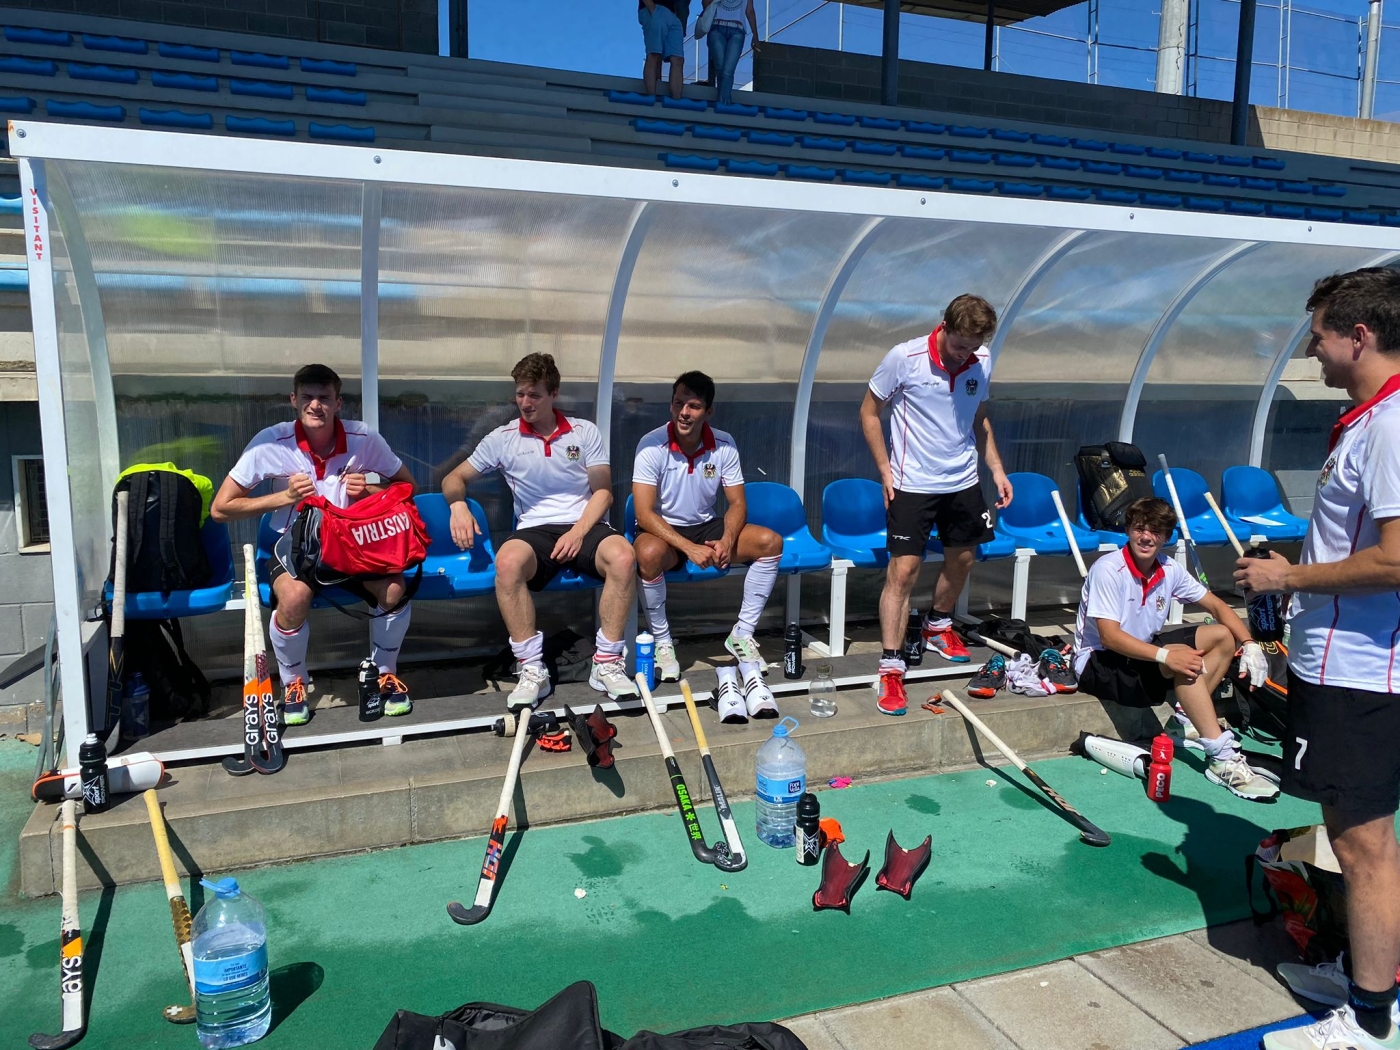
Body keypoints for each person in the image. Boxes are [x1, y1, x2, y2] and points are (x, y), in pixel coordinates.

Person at [1234, 268, 1400, 1050]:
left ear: (1358, 337)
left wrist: (1288, 579)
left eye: (1320, 335)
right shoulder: (1366, 422)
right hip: (1340, 664)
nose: (1311, 350)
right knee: (1351, 833)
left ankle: (1369, 1020)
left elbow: (1397, 559)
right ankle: (1366, 978)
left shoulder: (1392, 426)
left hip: (1363, 671)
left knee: (1365, 843)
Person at [211, 364, 419, 726]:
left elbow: (408, 487)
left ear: (338, 402)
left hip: (353, 545)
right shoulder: (270, 442)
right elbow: (221, 508)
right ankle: (293, 683)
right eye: (307, 397)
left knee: (394, 590)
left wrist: (370, 490)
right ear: (294, 400)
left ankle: (384, 673)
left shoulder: (364, 437)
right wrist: (284, 497)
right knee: (294, 598)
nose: (315, 405)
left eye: (324, 397)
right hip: (293, 547)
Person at [442, 353, 638, 709]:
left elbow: (604, 492)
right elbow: (453, 477)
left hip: (584, 524)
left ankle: (607, 663)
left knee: (624, 556)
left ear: (554, 394)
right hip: (534, 529)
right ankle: (532, 668)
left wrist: (577, 532)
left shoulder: (584, 431)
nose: (525, 402)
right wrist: (457, 505)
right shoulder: (502, 438)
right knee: (507, 563)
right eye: (520, 394)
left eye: (534, 394)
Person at [860, 294, 1013, 716]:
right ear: (943, 326)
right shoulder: (904, 358)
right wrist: (885, 470)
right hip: (912, 483)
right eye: (960, 344)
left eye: (973, 347)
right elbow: (869, 413)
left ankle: (938, 624)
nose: (966, 354)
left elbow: (979, 417)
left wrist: (997, 469)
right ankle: (891, 667)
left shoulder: (981, 360)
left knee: (963, 558)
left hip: (962, 480)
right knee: (903, 572)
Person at [1071, 497, 1275, 801]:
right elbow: (1110, 637)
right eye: (1139, 528)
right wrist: (1167, 656)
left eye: (1155, 531)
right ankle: (1220, 759)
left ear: (1166, 537)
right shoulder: (1108, 569)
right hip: (1097, 663)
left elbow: (1217, 606)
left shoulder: (1169, 568)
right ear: (1128, 530)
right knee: (1185, 661)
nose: (1146, 537)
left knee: (1223, 636)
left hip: (1139, 652)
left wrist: (1249, 645)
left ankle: (1185, 720)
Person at [632, 371, 784, 719]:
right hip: (664, 530)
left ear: (709, 412)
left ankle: (741, 634)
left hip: (706, 526)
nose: (684, 413)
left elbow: (738, 504)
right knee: (648, 554)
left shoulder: (724, 444)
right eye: (678, 404)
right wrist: (689, 548)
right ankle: (663, 642)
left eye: (694, 406)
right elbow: (643, 513)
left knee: (770, 542)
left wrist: (727, 540)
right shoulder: (651, 445)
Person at [701, 0, 759, 107]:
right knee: (721, 70)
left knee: (728, 71)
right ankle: (724, 105)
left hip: (737, 30)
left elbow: (749, 10)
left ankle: (722, 105)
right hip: (717, 27)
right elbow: (705, 4)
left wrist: (755, 35)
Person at [639, 0, 685, 100]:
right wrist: (652, 8)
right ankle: (651, 97)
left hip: (672, 14)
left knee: (678, 59)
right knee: (654, 54)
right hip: (654, 8)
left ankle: (676, 100)